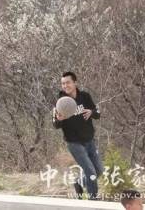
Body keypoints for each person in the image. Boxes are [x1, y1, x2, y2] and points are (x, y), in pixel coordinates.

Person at [53, 71, 104, 200]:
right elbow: (55, 125)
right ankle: (93, 200)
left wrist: (91, 112)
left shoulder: (85, 97)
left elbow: (97, 113)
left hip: (89, 140)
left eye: (68, 82)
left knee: (99, 170)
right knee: (91, 171)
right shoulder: (61, 102)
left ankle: (79, 182)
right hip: (74, 143)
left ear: (75, 83)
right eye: (63, 83)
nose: (65, 86)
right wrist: (60, 119)